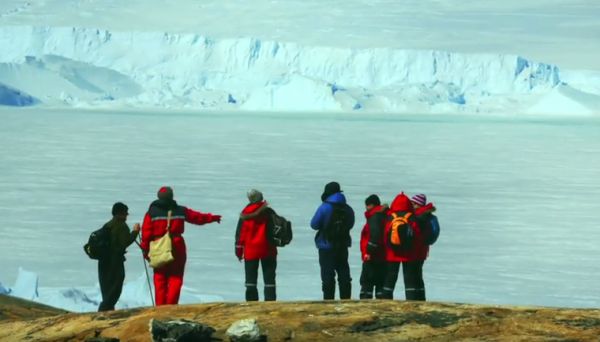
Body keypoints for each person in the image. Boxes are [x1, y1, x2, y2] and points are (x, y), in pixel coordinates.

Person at [140, 186, 222, 306]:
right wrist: (212, 218)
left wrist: (146, 251)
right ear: (172, 196)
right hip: (177, 246)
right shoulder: (180, 210)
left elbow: (146, 233)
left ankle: (160, 307)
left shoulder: (151, 213)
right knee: (176, 277)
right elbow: (197, 218)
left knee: (160, 278)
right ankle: (171, 306)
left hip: (158, 247)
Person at [310, 181, 355, 300]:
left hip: (326, 246)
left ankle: (328, 300)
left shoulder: (324, 207)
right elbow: (351, 224)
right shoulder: (348, 208)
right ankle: (346, 299)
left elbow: (314, 224)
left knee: (327, 274)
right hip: (343, 245)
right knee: (344, 272)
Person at [235, 189, 278, 301]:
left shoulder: (245, 213)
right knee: (269, 280)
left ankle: (251, 303)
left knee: (250, 280)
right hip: (268, 249)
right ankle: (270, 303)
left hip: (251, 250)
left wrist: (238, 251)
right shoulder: (269, 212)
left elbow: (240, 234)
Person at [98, 202, 140, 311]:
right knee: (116, 286)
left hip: (103, 260)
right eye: (125, 213)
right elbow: (125, 242)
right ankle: (105, 309)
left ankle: (107, 309)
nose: (126, 215)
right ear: (120, 214)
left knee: (107, 287)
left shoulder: (108, 225)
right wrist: (135, 232)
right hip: (114, 260)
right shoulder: (121, 226)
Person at [381, 192, 424, 300]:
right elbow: (417, 236)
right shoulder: (412, 217)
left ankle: (386, 300)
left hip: (392, 253)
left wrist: (388, 248)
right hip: (409, 253)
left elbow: (385, 234)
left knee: (390, 277)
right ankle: (411, 301)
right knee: (410, 278)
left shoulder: (390, 217)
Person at [408, 193, 437, 301]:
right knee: (418, 273)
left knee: (412, 274)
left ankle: (413, 299)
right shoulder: (430, 216)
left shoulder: (417, 216)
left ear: (417, 204)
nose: (411, 205)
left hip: (414, 249)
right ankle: (421, 298)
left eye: (413, 203)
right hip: (423, 249)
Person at [359, 194, 388, 299]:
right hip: (384, 255)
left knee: (367, 281)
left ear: (371, 205)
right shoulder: (384, 215)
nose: (366, 208)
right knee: (380, 282)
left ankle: (365, 304)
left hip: (373, 255)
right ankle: (381, 304)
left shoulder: (374, 217)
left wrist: (369, 251)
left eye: (367, 205)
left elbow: (375, 236)